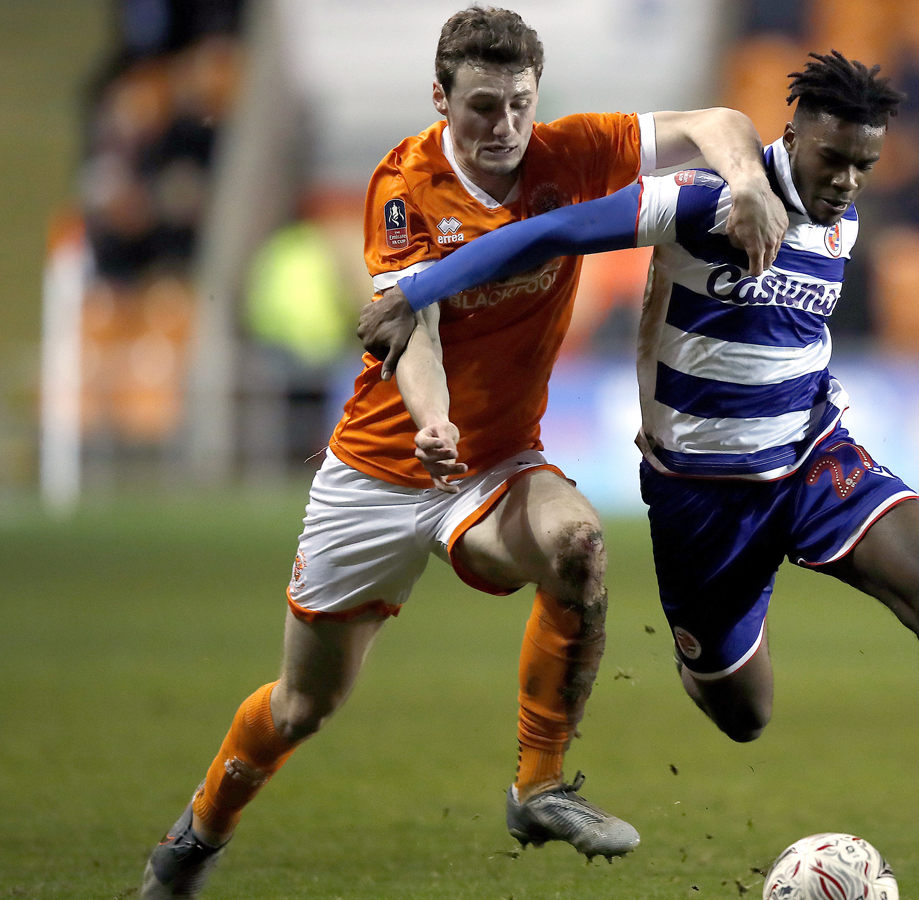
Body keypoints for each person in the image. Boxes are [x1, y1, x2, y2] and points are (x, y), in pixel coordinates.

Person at [359, 50, 919, 900]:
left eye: (864, 167)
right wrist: (418, 289)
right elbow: (550, 232)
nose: (846, 182)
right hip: (701, 497)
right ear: (791, 136)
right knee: (744, 716)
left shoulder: (840, 217)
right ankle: (703, 655)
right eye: (832, 159)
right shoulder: (701, 203)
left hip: (812, 453)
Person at [139, 8, 787, 898]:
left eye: (520, 104)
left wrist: (747, 180)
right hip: (376, 472)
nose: (505, 129)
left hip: (492, 468)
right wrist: (432, 421)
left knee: (579, 547)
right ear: (439, 98)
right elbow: (416, 329)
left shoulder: (573, 151)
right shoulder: (403, 186)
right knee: (303, 706)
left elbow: (718, 124)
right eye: (482, 107)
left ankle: (540, 785)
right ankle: (196, 836)